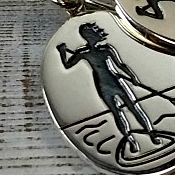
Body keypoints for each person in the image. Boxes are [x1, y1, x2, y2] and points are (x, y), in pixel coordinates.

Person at [57, 23, 159, 153]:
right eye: (94, 33)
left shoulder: (106, 49)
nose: (99, 34)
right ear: (88, 36)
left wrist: (133, 77)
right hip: (103, 85)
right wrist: (62, 52)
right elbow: (67, 65)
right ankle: (131, 140)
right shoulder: (83, 53)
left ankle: (152, 134)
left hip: (117, 82)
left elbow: (120, 65)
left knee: (134, 107)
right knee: (117, 113)